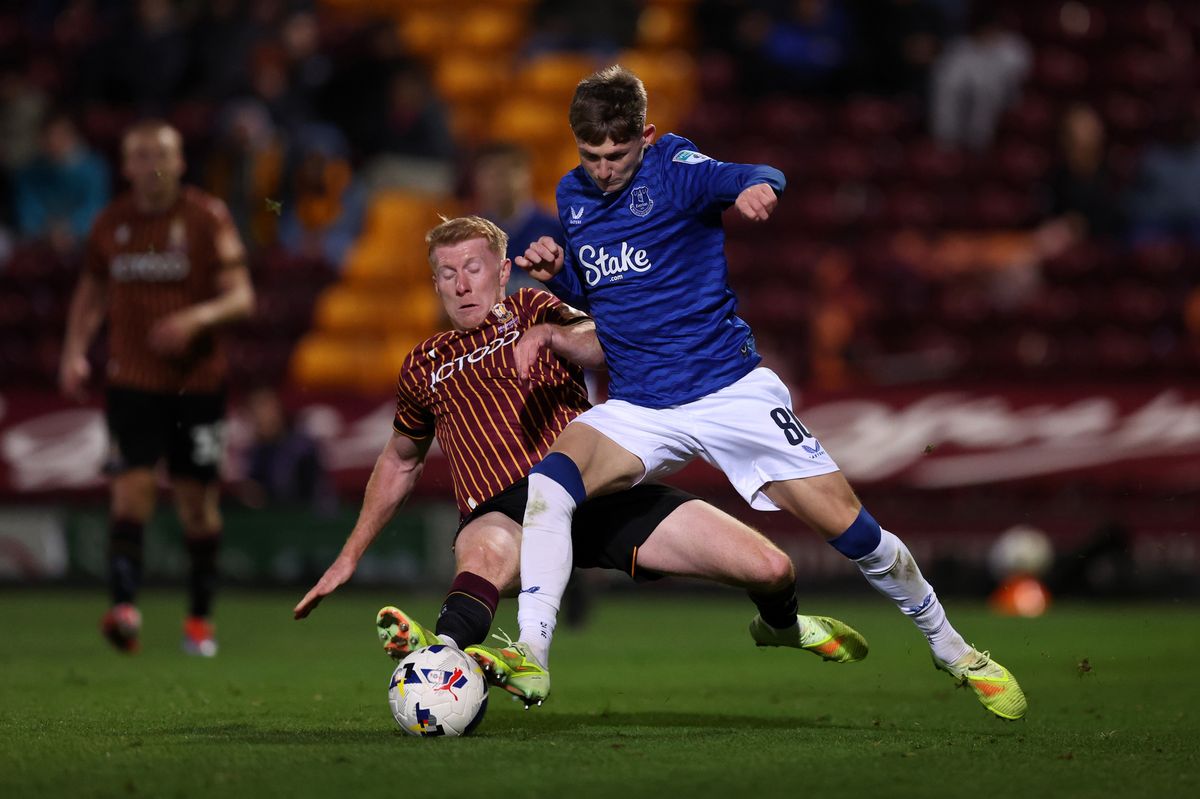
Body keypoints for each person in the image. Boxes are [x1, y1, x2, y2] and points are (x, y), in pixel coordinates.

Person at [506, 65, 1027, 720]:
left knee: (854, 530)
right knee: (550, 484)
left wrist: (757, 189)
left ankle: (951, 648)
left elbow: (756, 171)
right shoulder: (572, 195)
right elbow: (607, 290)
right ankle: (531, 650)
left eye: (618, 153)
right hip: (639, 404)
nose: (605, 168)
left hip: (729, 392)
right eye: (592, 156)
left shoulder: (677, 165)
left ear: (648, 135)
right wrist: (563, 277)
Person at [292, 216, 869, 699]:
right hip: (505, 509)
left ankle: (782, 625)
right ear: (435, 284)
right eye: (448, 273)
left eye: (473, 268)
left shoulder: (533, 310)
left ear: (501, 268)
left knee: (771, 569)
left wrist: (555, 338)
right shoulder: (425, 364)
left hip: (597, 491)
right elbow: (399, 461)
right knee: (486, 547)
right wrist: (349, 557)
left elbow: (602, 341)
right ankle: (443, 655)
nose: (463, 284)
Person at [59, 120, 256, 656]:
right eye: (140, 156)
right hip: (132, 382)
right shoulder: (110, 223)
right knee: (131, 490)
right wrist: (74, 349)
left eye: (161, 154)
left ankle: (198, 621)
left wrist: (195, 319)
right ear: (125, 167)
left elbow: (242, 297)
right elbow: (92, 289)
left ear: (180, 161)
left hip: (198, 385)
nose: (152, 165)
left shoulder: (206, 217)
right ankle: (123, 608)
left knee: (197, 505)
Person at [470, 141, 561, 294]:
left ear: (527, 175)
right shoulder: (466, 235)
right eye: (490, 174)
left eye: (506, 172)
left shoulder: (556, 230)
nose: (499, 182)